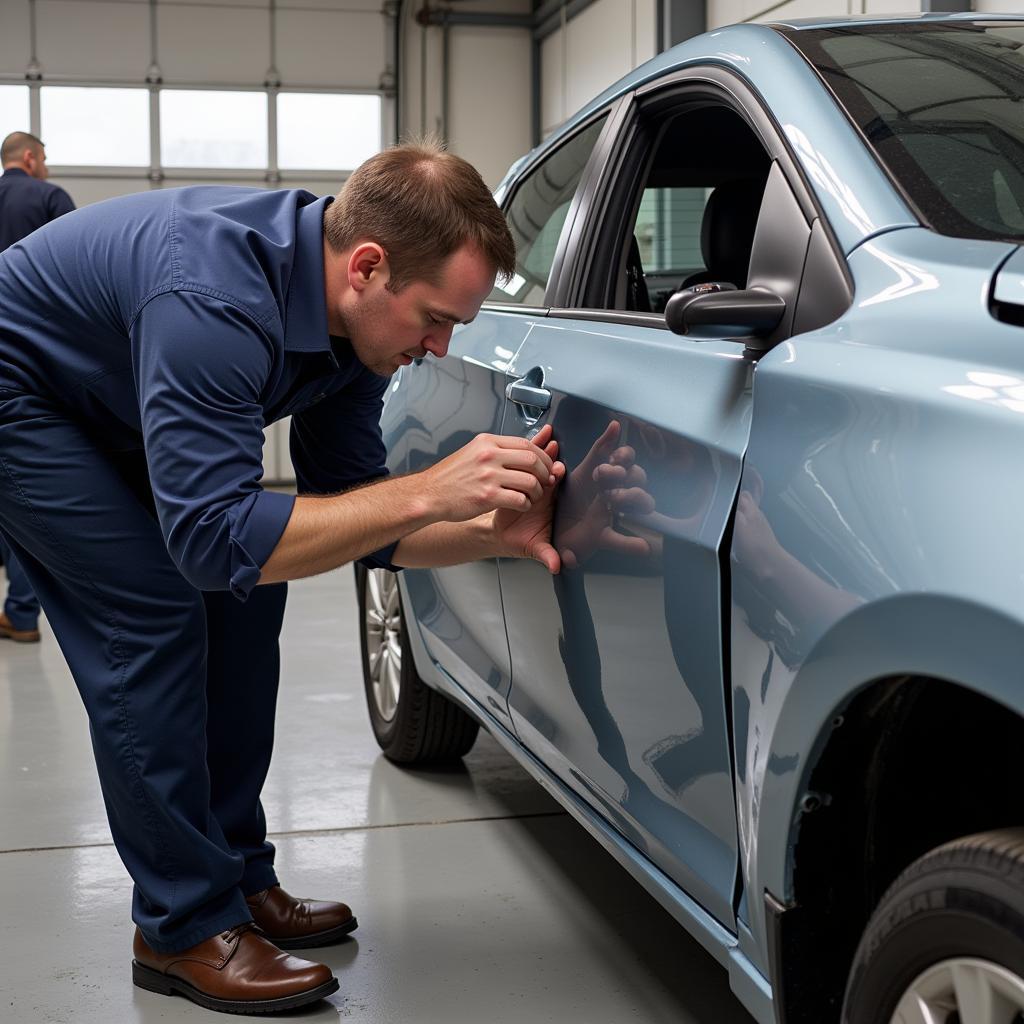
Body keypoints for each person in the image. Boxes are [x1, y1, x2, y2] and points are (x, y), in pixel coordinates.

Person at [0, 141, 565, 1015]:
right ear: (368, 267)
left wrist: (489, 533)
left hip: (112, 390)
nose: (441, 345)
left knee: (254, 589)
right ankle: (182, 925)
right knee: (152, 610)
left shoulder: (358, 333)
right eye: (435, 318)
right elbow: (209, 539)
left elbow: (361, 524)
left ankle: (232, 877)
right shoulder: (214, 298)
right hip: (23, 394)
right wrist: (425, 488)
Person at [0, 131, 76, 643]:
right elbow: (73, 267)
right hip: (36, 358)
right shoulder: (48, 199)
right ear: (30, 158)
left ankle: (17, 611)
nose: (46, 167)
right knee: (34, 493)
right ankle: (23, 611)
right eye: (44, 158)